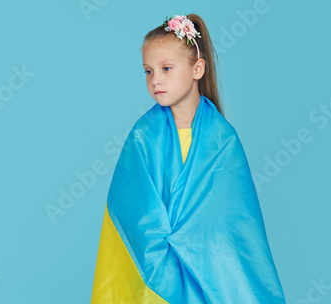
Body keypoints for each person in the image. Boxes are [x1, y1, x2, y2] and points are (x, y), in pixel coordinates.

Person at [91, 13, 286, 304]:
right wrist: (166, 254)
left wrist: (190, 244)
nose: (156, 80)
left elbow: (233, 222)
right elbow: (133, 209)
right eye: (148, 71)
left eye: (166, 68)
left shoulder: (222, 140)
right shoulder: (143, 136)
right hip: (156, 276)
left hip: (208, 274)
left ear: (197, 69)